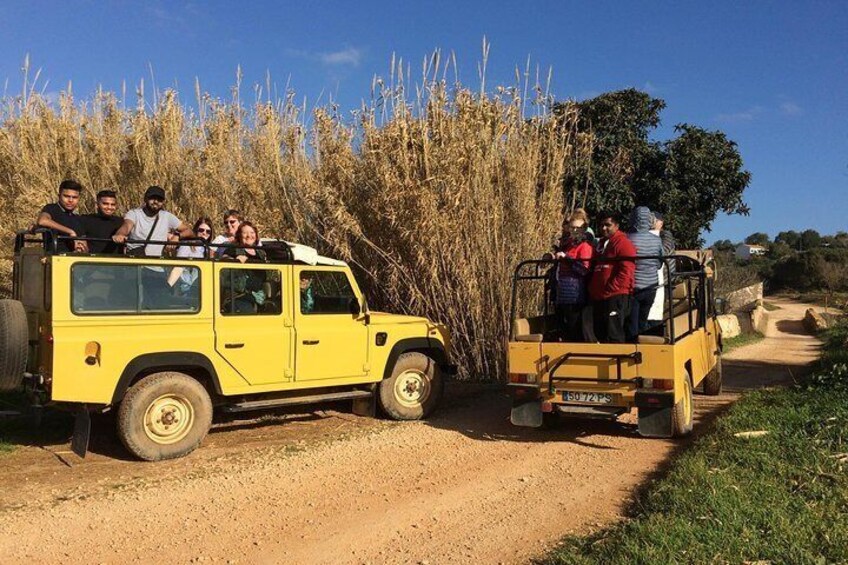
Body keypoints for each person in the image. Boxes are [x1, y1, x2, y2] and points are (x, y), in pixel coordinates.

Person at [587, 212, 636, 343]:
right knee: (601, 333)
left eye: (608, 225)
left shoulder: (623, 243)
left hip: (615, 295)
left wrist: (612, 288)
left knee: (614, 334)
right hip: (600, 296)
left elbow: (627, 270)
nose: (604, 228)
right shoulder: (601, 243)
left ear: (616, 225)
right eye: (601, 225)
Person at [112, 185, 194, 257]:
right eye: (152, 198)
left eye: (160, 199)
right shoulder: (134, 213)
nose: (156, 202)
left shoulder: (167, 216)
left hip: (156, 265)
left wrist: (177, 236)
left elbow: (189, 231)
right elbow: (127, 225)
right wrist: (120, 234)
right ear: (145, 199)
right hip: (136, 263)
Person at [552, 213, 594, 341]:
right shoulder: (569, 245)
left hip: (576, 293)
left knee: (575, 329)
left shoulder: (585, 246)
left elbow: (584, 269)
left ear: (584, 228)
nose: (574, 231)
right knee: (565, 329)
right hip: (563, 292)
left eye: (578, 228)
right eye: (572, 227)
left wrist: (567, 259)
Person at [626, 207, 664, 340]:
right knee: (643, 321)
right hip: (651, 286)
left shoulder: (628, 238)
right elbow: (660, 263)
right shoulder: (656, 240)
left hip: (634, 286)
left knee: (632, 323)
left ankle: (631, 349)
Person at [35, 179, 86, 252]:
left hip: (73, 259)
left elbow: (85, 246)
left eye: (74, 197)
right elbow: (42, 221)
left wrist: (81, 248)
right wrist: (70, 231)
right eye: (66, 196)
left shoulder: (78, 219)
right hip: (54, 257)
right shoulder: (52, 209)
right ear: (59, 196)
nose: (70, 200)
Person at [166, 217, 213, 295]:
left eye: (208, 231)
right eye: (201, 230)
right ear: (196, 230)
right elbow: (178, 267)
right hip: (187, 290)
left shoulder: (208, 249)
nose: (204, 233)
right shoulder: (188, 245)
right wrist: (167, 287)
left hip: (203, 290)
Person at [647, 211, 673, 325]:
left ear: (661, 223)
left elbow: (664, 250)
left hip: (665, 281)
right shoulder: (645, 236)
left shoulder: (665, 235)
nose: (651, 222)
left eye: (654, 220)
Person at [80, 189, 124, 254]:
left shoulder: (121, 222)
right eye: (105, 204)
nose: (109, 207)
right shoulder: (85, 220)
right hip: (92, 261)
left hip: (115, 261)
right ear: (97, 204)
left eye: (113, 204)